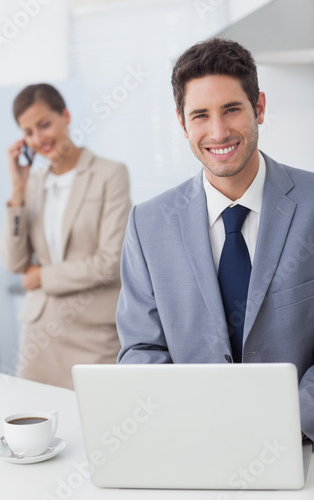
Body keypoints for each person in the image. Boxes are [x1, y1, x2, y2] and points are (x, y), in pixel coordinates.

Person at [116, 38, 314, 441]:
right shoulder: (147, 223)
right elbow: (141, 350)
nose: (218, 131)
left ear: (258, 107)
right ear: (181, 122)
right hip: (194, 442)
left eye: (231, 109)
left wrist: (285, 426)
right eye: (200, 115)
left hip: (301, 444)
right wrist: (191, 424)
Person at [0, 83, 131, 389]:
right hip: (39, 338)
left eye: (44, 125)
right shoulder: (33, 183)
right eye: (28, 132)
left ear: (66, 116)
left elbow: (109, 263)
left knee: (96, 426)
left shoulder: (110, 174)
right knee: (36, 427)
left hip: (94, 337)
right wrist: (17, 191)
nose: (38, 139)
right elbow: (13, 261)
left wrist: (42, 276)